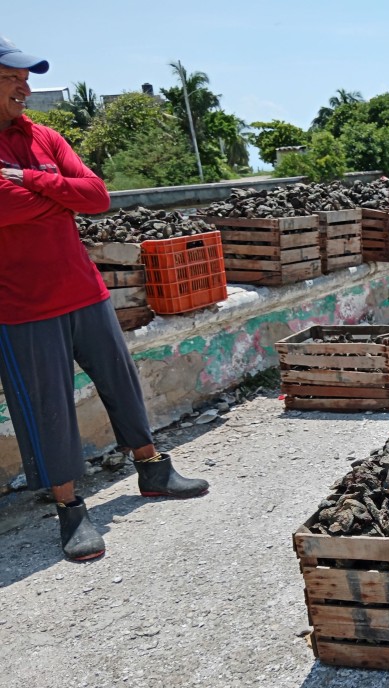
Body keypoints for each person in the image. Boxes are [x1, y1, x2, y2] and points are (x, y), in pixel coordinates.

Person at [0, 38, 208, 562]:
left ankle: (153, 468)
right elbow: (6, 210)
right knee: (49, 410)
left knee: (121, 381)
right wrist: (58, 195)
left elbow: (96, 196)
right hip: (23, 306)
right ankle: (70, 510)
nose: (24, 87)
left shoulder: (44, 136)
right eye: (11, 79)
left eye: (25, 78)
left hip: (83, 290)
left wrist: (33, 180)